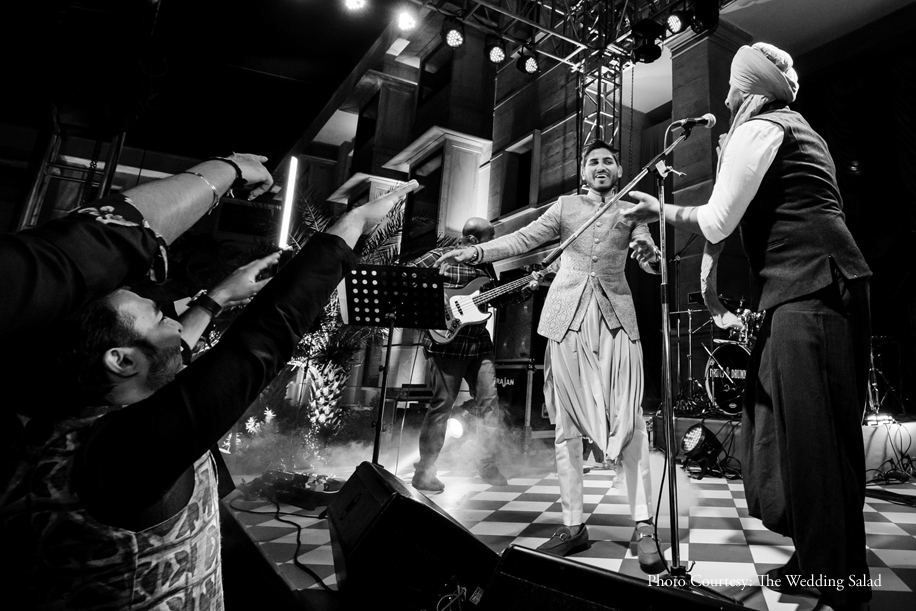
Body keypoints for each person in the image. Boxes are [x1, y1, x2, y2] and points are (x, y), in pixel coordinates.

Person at [0, 181, 420, 610]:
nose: (176, 323)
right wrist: (353, 224)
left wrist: (218, 297)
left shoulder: (70, 413)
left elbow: (166, 354)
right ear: (122, 361)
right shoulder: (122, 452)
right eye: (160, 317)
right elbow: (264, 337)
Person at [622, 43, 871, 611]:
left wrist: (658, 210)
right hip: (809, 289)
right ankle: (814, 559)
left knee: (815, 442)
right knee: (785, 431)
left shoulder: (762, 129)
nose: (728, 100)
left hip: (812, 290)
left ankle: (842, 585)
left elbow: (716, 221)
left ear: (752, 91)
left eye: (735, 89)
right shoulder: (795, 130)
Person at [435, 142, 664, 572]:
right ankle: (573, 525)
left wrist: (651, 259)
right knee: (566, 427)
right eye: (593, 161)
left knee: (631, 421)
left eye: (608, 161)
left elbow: (649, 256)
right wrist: (477, 252)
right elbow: (523, 239)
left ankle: (643, 524)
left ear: (619, 171)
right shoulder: (564, 207)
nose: (601, 166)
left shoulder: (631, 209)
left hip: (616, 320)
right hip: (565, 321)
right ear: (583, 172)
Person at [410, 217, 531, 492]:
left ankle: (486, 464)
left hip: (478, 345)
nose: (492, 244)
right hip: (447, 345)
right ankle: (424, 472)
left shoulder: (485, 264)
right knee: (441, 408)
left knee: (490, 407)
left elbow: (495, 299)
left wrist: (524, 289)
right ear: (474, 240)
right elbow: (407, 280)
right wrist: (439, 295)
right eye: (490, 239)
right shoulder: (440, 256)